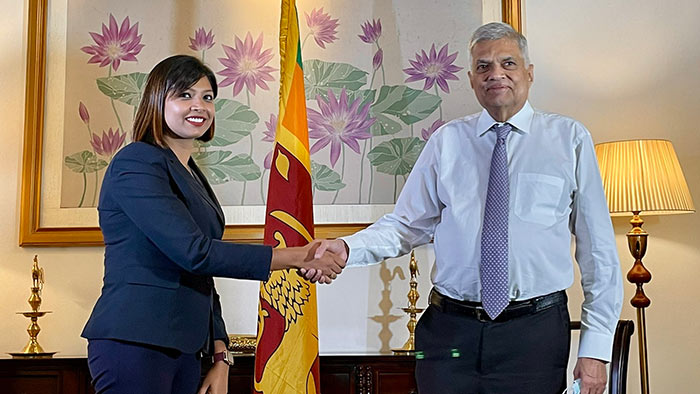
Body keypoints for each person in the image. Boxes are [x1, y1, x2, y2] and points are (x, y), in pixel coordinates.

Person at [305, 22, 622, 394]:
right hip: (449, 333)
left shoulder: (569, 140)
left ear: (530, 73)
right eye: (484, 66)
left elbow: (598, 251)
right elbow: (406, 225)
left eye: (508, 63)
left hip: (533, 335)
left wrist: (596, 350)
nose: (496, 74)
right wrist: (347, 248)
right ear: (472, 79)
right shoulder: (446, 142)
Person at [81, 55, 345, 394]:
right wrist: (298, 257)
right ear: (157, 100)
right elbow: (195, 252)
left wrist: (221, 355)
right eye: (184, 95)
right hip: (136, 340)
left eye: (207, 97)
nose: (199, 106)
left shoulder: (192, 174)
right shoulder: (137, 161)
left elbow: (201, 274)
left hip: (186, 348)